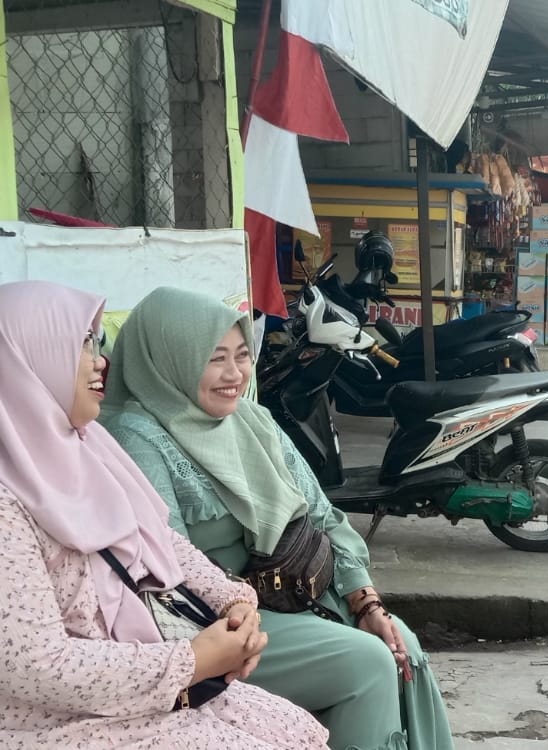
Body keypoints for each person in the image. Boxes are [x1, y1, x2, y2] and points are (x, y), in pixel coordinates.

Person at [0, 280, 329, 750]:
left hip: (120, 700)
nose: (100, 360)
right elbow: (34, 663)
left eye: (96, 342)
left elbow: (154, 538)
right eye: (81, 344)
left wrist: (233, 603)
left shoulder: (84, 446)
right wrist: (192, 661)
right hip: (20, 727)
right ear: (23, 360)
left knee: (296, 730)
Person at [100, 286, 454, 750]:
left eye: (242, 356)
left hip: (301, 592)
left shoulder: (251, 421)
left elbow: (322, 514)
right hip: (221, 622)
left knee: (401, 644)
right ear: (170, 359)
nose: (234, 374)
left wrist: (365, 601)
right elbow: (167, 569)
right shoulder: (137, 437)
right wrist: (234, 610)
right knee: (367, 662)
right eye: (215, 359)